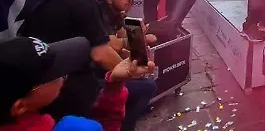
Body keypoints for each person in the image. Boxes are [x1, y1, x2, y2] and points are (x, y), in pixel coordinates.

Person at [18, 0, 122, 120]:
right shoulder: (85, 2)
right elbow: (100, 55)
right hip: (72, 88)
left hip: (44, 86)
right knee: (144, 88)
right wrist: (131, 73)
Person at [0, 36, 155, 131]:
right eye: (54, 73)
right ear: (20, 107)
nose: (64, 76)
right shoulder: (74, 128)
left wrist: (114, 82)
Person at [95, 0, 157, 131]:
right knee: (149, 86)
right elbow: (114, 44)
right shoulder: (101, 15)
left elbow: (123, 37)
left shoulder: (117, 13)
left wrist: (138, 35)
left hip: (105, 70)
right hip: (94, 76)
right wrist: (139, 39)